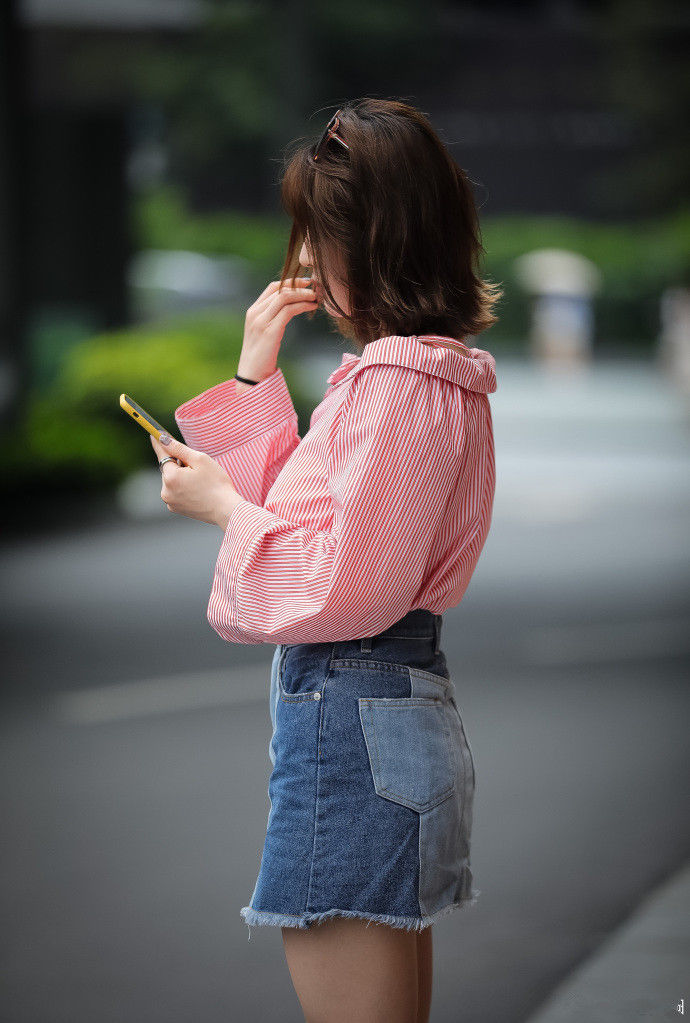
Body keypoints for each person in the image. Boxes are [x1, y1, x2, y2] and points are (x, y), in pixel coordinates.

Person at [150, 97, 501, 1023]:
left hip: (351, 719)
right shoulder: (431, 374)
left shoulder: (393, 385)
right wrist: (255, 376)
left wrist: (220, 504)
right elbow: (322, 526)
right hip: (392, 705)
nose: (303, 259)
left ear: (372, 240)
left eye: (317, 234)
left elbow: (343, 582)